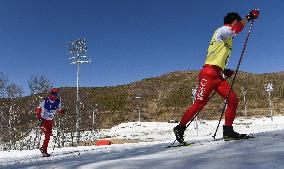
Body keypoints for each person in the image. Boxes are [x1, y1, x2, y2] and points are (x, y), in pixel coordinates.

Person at [173, 9, 259, 144]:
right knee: (199, 104)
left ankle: (228, 131)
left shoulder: (228, 39)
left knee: (233, 100)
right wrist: (248, 17)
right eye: (237, 22)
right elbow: (235, 29)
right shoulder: (222, 30)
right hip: (208, 73)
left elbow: (218, 57)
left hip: (218, 75)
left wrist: (225, 71)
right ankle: (180, 128)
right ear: (234, 21)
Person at [35, 88, 65, 157]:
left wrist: (62, 111)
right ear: (51, 94)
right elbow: (38, 110)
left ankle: (43, 148)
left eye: (57, 94)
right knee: (47, 134)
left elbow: (58, 110)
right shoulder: (45, 100)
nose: (56, 95)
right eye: (54, 94)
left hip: (50, 121)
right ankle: (44, 150)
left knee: (48, 136)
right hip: (43, 120)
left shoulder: (58, 101)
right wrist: (39, 119)